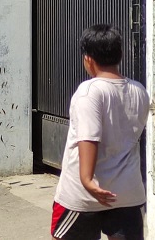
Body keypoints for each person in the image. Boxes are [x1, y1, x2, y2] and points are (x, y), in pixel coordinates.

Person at [51, 24, 149, 240]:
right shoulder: (139, 91)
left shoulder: (89, 92)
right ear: (120, 55)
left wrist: (87, 180)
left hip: (84, 195)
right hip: (127, 193)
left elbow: (89, 138)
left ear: (88, 58)